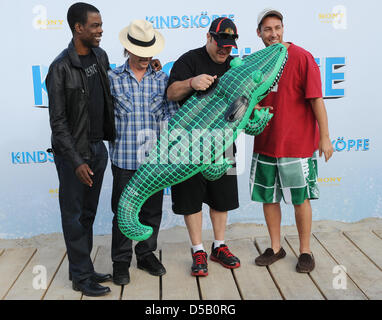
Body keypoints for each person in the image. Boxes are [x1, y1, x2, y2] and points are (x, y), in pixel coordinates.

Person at [250, 8, 334, 273]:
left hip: (296, 145)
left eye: (277, 28)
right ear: (259, 33)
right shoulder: (257, 62)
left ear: (283, 29)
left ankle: (305, 251)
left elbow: (316, 99)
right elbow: (250, 101)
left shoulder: (301, 57)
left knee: (300, 199)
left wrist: (326, 137)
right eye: (267, 29)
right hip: (265, 143)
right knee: (269, 198)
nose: (273, 33)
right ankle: (275, 247)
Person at [46, 2, 115, 296]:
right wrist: (75, 161)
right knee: (73, 216)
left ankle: (83, 269)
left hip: (98, 149)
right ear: (79, 28)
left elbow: (112, 87)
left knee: (87, 214)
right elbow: (58, 124)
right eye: (95, 26)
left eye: (100, 25)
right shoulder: (60, 67)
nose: (101, 31)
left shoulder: (100, 56)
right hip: (74, 156)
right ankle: (81, 277)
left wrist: (148, 63)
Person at [167, 17, 241, 277]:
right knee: (190, 199)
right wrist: (191, 83)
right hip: (187, 143)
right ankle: (197, 249)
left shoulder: (235, 65)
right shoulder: (189, 60)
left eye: (229, 45)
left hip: (223, 142)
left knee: (222, 198)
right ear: (208, 38)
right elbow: (171, 93)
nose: (224, 49)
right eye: (220, 43)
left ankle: (219, 246)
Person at [108, 20, 178, 285]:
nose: (145, 58)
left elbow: (171, 117)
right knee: (122, 213)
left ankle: (146, 254)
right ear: (128, 50)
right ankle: (120, 261)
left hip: (154, 162)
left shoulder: (163, 79)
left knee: (151, 213)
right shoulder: (111, 79)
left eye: (149, 52)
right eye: (140, 52)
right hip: (123, 160)